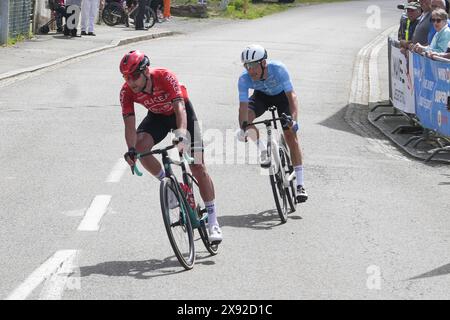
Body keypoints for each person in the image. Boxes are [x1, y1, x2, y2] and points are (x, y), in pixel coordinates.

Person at [119, 50, 223, 243]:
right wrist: (131, 150)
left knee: (198, 166)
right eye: (126, 77)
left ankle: (213, 219)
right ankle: (171, 186)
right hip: (157, 117)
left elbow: (180, 109)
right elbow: (129, 125)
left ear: (145, 71)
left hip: (180, 115)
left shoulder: (165, 76)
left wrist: (182, 134)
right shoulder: (126, 91)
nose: (130, 82)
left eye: (133, 76)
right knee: (140, 148)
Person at [236, 44, 308, 203]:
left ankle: (300, 184)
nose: (251, 70)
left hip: (282, 97)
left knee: (290, 134)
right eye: (247, 66)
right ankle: (264, 151)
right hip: (261, 97)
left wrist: (294, 120)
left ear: (263, 63)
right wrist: (243, 127)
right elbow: (243, 107)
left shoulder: (279, 69)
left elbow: (292, 97)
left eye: (254, 65)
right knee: (247, 119)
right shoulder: (243, 79)